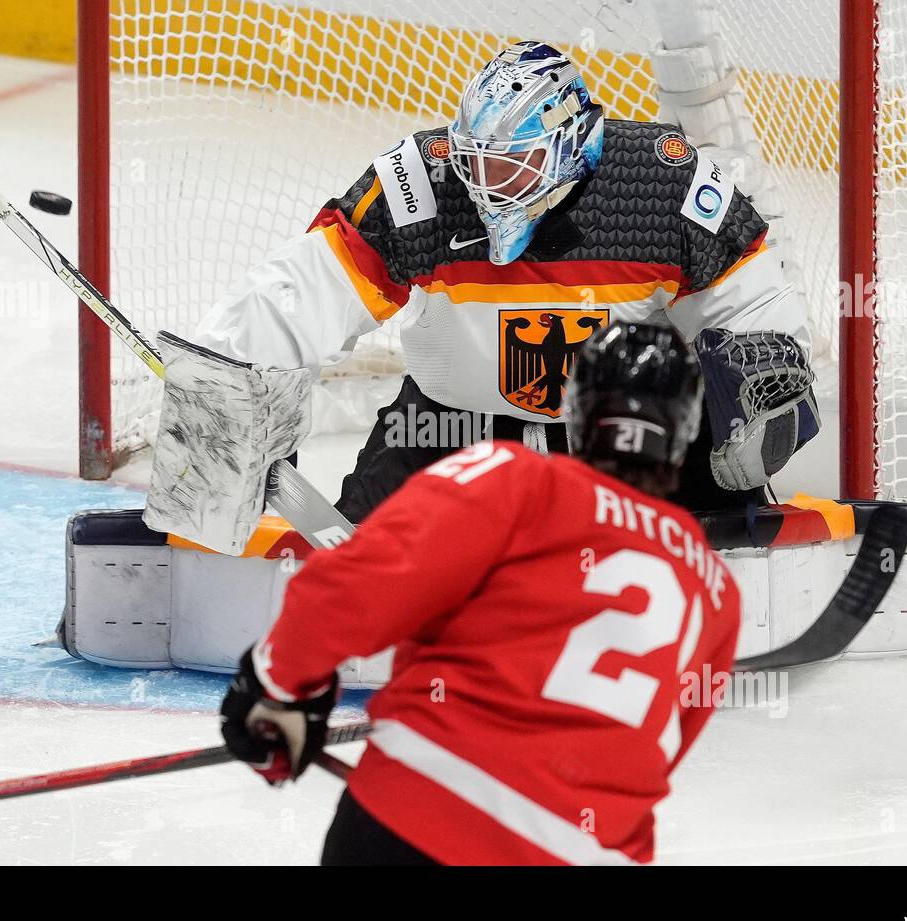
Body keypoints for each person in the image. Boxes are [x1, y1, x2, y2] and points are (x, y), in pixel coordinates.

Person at [145, 40, 818, 557]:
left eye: (507, 165)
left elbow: (753, 308)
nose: (482, 183)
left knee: (707, 537)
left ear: (566, 149)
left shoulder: (663, 183)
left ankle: (713, 548)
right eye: (475, 160)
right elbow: (306, 286)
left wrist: (767, 380)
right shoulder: (421, 185)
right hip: (448, 428)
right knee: (358, 562)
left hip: (625, 433)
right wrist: (227, 367)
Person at [220, 322, 743, 865]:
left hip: (420, 817)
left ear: (580, 412)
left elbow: (345, 591)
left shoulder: (519, 481)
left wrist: (274, 687)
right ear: (682, 437)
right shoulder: (715, 589)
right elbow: (655, 748)